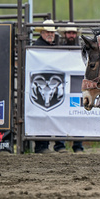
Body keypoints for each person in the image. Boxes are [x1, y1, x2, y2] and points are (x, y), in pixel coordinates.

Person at [31, 20, 59, 154]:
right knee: (42, 113)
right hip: (45, 83)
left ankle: (43, 145)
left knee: (44, 113)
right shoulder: (39, 46)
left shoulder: (47, 45)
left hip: (46, 83)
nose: (50, 34)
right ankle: (41, 146)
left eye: (52, 32)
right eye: (47, 32)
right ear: (41, 33)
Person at [59, 23, 84, 153]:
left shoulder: (81, 48)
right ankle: (60, 144)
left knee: (78, 115)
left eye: (73, 33)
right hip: (64, 85)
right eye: (69, 33)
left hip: (76, 83)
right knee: (61, 113)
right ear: (65, 34)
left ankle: (78, 145)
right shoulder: (60, 49)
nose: (71, 35)